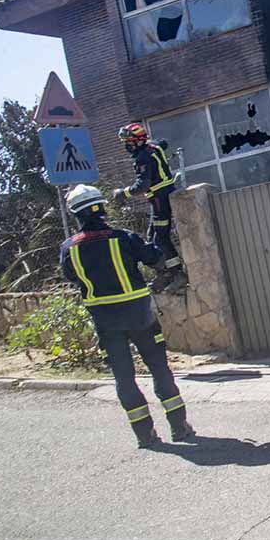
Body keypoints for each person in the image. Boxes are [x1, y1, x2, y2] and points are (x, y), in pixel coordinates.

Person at [60, 184, 193, 449]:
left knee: (124, 378)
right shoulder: (123, 238)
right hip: (140, 317)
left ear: (76, 214)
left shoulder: (69, 247)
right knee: (159, 369)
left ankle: (144, 435)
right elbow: (155, 257)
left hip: (106, 323)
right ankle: (179, 427)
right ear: (101, 208)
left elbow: (70, 276)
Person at [113, 122, 183, 291]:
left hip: (160, 199)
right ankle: (166, 272)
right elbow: (162, 143)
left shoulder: (142, 158)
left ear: (138, 141)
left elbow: (142, 185)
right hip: (161, 196)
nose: (127, 146)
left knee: (160, 238)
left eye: (129, 142)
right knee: (151, 236)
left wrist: (123, 193)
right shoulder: (153, 147)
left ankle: (177, 273)